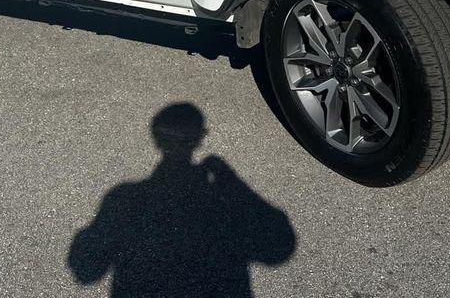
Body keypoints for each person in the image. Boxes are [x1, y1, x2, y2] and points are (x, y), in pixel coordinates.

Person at [67, 103, 296, 297]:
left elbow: (86, 271)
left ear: (157, 141)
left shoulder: (123, 198)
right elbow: (279, 246)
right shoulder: (220, 197)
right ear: (198, 140)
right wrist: (232, 182)